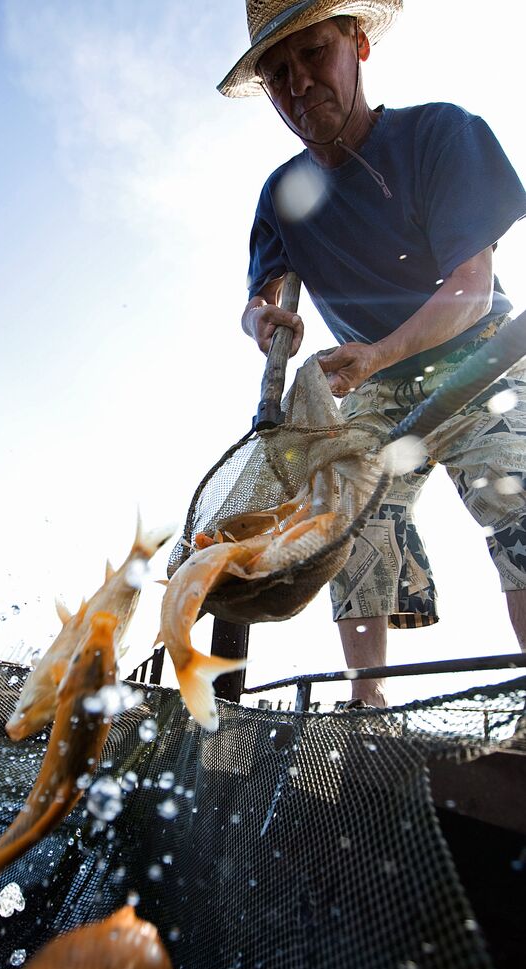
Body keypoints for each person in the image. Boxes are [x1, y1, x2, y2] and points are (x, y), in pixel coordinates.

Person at [218, 0, 526, 706]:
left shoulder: (439, 133)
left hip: (482, 357)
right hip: (378, 388)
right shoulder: (282, 196)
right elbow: (264, 300)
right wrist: (264, 321)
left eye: (313, 54)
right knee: (344, 519)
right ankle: (369, 708)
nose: (298, 84)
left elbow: (472, 293)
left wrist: (379, 353)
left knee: (515, 501)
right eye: (278, 73)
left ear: (358, 44)